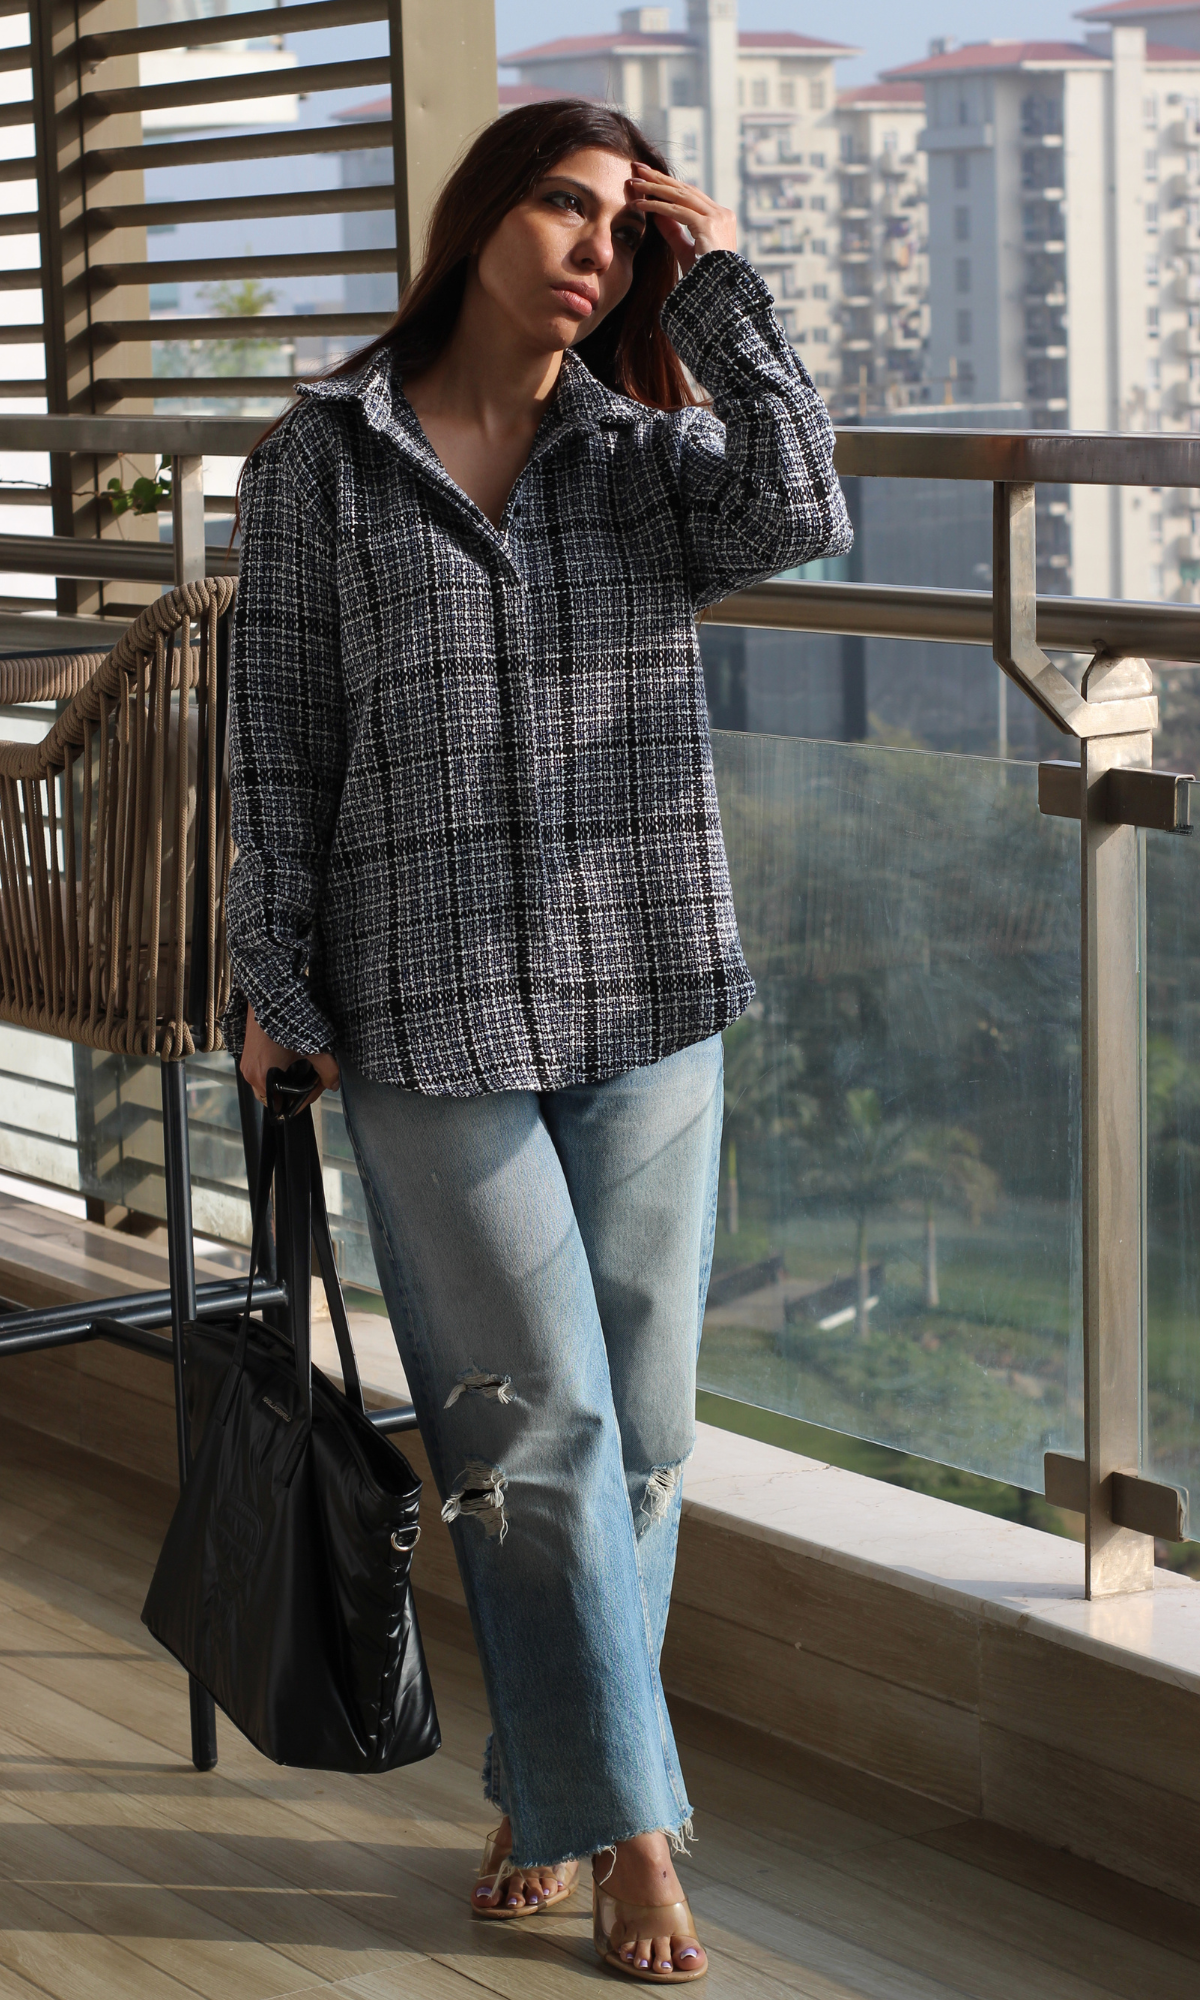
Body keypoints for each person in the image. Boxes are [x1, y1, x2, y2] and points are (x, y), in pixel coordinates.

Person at [227, 97, 850, 1985]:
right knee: (535, 1426)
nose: (594, 249)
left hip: (648, 990)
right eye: (565, 208)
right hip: (422, 1009)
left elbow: (806, 508)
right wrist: (271, 975)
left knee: (644, 1436)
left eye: (622, 227)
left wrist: (716, 284)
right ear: (480, 216)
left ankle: (552, 1789)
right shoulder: (322, 460)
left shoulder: (648, 460)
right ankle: (640, 1840)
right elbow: (278, 742)